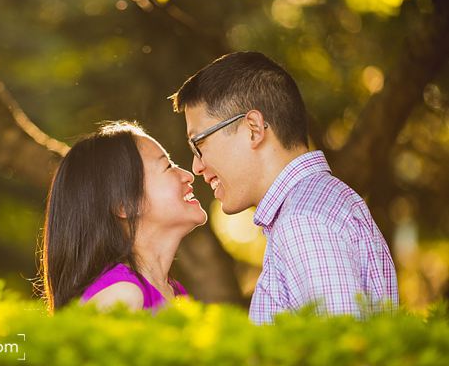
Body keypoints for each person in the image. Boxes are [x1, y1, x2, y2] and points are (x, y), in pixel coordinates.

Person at [171, 52, 399, 323]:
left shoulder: (304, 222)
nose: (196, 167)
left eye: (199, 144)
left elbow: (341, 357)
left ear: (253, 129)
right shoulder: (313, 206)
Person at [40, 121, 206, 312]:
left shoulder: (175, 294)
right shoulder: (122, 296)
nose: (188, 175)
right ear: (126, 204)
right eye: (168, 166)